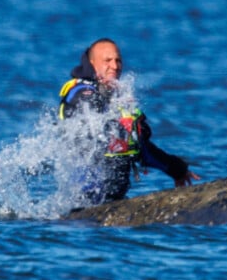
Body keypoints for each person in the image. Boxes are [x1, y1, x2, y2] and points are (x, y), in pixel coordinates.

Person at [58, 38, 200, 203]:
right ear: (92, 64)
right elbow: (89, 109)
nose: (115, 66)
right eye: (107, 60)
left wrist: (177, 169)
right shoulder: (80, 91)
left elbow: (142, 150)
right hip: (84, 200)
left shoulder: (117, 98)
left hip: (114, 202)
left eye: (118, 60)